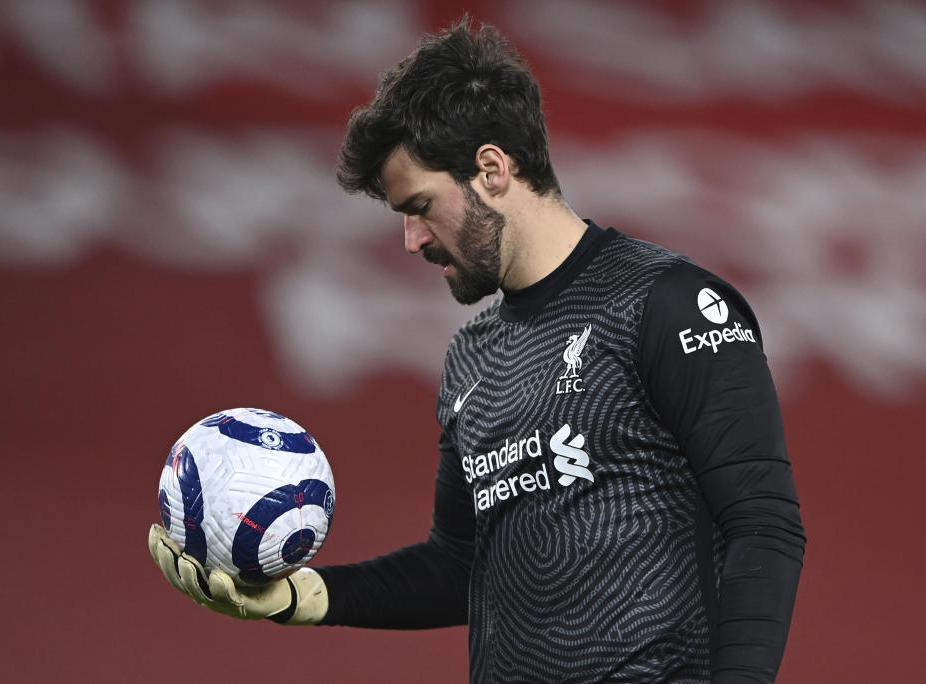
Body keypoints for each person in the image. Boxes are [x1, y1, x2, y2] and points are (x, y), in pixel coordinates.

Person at [149, 16, 805, 683]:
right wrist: (299, 595)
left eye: (421, 205)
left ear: (493, 169)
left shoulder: (667, 303)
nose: (412, 240)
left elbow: (764, 524)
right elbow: (461, 561)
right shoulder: (471, 359)